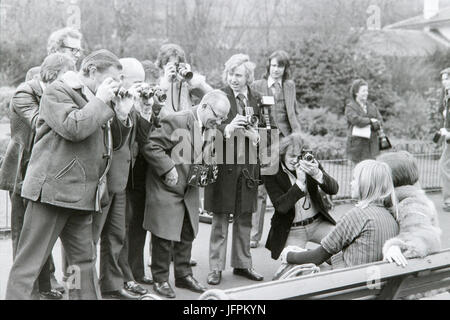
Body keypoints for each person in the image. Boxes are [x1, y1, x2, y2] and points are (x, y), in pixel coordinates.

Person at [5, 49, 128, 300]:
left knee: (81, 265)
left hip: (82, 195)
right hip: (52, 193)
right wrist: (101, 101)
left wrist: (123, 114)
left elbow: (112, 144)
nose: (115, 86)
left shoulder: (94, 97)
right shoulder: (58, 91)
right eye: (112, 80)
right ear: (92, 71)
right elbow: (74, 127)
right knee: (30, 263)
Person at [141, 89, 230, 299]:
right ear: (205, 106)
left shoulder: (210, 126)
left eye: (223, 118)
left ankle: (183, 275)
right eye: (217, 116)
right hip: (166, 186)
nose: (219, 121)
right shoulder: (177, 120)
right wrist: (167, 168)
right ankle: (160, 279)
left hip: (189, 188)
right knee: (163, 236)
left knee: (187, 231)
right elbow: (151, 145)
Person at [0, 53, 75, 299]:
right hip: (23, 174)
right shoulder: (24, 93)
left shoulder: (50, 92)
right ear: (53, 75)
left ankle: (44, 287)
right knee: (23, 239)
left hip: (41, 172)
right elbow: (41, 124)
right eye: (65, 76)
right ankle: (29, 293)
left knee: (39, 237)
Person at [274, 160, 399, 279]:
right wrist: (305, 251)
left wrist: (288, 254)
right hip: (368, 284)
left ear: (366, 184)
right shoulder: (390, 216)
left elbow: (318, 257)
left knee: (292, 269)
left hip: (345, 285)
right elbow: (355, 252)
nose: (351, 183)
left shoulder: (357, 216)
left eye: (355, 179)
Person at [92, 58, 153, 299]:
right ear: (120, 78)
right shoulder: (105, 100)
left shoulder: (129, 103)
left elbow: (143, 139)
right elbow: (113, 140)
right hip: (101, 180)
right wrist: (122, 111)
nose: (140, 87)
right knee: (86, 241)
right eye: (136, 82)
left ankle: (111, 284)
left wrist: (144, 110)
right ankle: (81, 287)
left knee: (116, 236)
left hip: (121, 180)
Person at [205, 54, 263, 286]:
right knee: (220, 219)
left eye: (238, 75)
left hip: (248, 167)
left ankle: (242, 264)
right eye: (230, 74)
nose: (233, 79)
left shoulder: (257, 99)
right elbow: (207, 125)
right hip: (224, 165)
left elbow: (270, 131)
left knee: (245, 217)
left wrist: (257, 137)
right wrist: (226, 128)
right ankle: (215, 268)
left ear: (248, 77)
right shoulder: (218, 97)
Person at [250, 50, 302, 248]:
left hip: (287, 140)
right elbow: (252, 115)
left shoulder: (289, 86)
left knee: (291, 186)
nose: (276, 69)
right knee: (261, 189)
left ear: (285, 68)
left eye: (280, 66)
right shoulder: (257, 86)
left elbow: (294, 113)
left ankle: (292, 232)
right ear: (268, 66)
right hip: (266, 142)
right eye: (273, 65)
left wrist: (298, 137)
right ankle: (254, 236)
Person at [263, 132, 339, 260]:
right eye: (291, 156)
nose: (295, 161)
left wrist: (317, 174)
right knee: (298, 271)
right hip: (292, 230)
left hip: (317, 223)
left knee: (345, 247)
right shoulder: (271, 171)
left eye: (299, 156)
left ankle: (318, 255)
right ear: (282, 153)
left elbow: (334, 189)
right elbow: (281, 207)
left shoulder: (308, 162)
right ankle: (316, 255)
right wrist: (299, 184)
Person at [378, 151, 442, 267]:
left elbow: (424, 238)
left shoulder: (411, 203)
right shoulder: (404, 199)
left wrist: (396, 246)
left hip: (409, 275)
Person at [155, 43, 212, 117]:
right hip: (167, 123)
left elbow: (212, 95)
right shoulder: (157, 82)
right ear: (162, 66)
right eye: (170, 65)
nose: (174, 68)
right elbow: (154, 103)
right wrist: (166, 82)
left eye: (177, 65)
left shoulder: (186, 82)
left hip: (186, 123)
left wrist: (191, 79)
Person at [345, 79, 383, 164]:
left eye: (367, 90)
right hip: (357, 149)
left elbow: (380, 121)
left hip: (372, 148)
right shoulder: (350, 107)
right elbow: (356, 120)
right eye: (363, 91)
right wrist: (370, 121)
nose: (366, 93)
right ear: (356, 92)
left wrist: (375, 124)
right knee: (358, 174)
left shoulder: (372, 106)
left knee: (371, 174)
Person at [438, 68, 450, 212]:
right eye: (443, 80)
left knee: (444, 165)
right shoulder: (446, 97)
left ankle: (448, 200)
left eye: (446, 79)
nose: (444, 82)